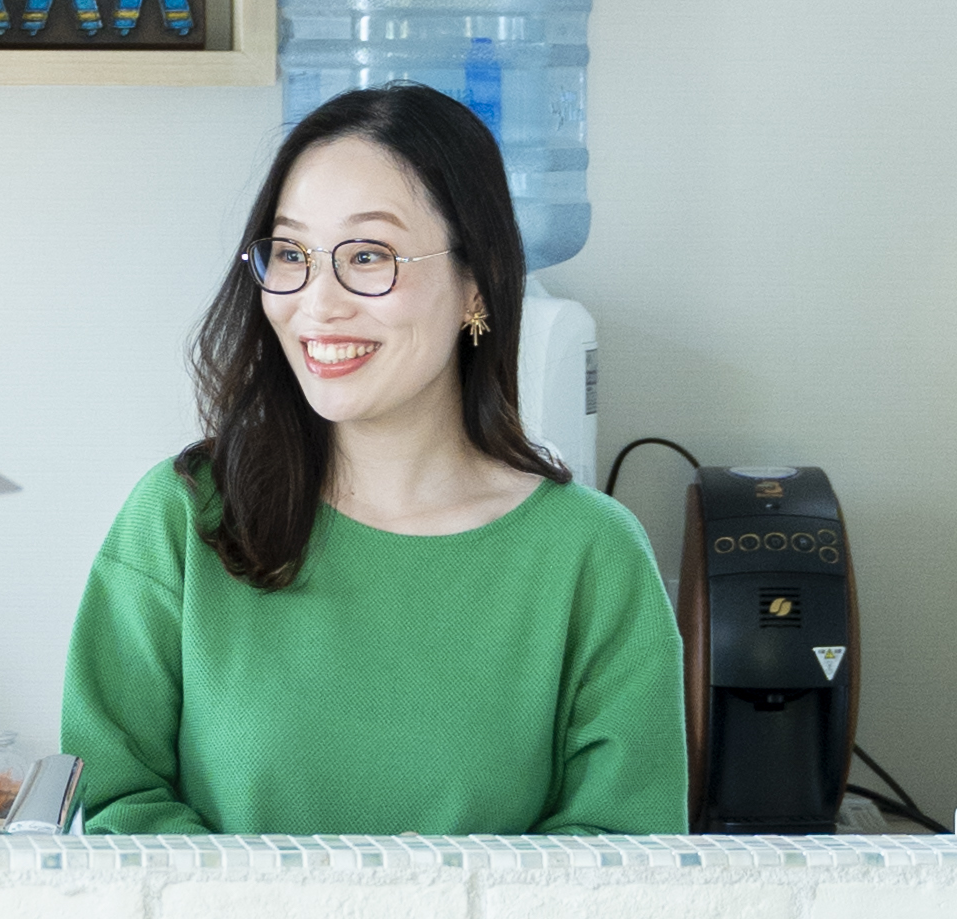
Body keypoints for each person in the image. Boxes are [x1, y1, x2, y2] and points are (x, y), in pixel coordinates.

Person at [64, 84, 689, 836]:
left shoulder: (594, 557)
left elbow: (624, 861)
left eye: (368, 256)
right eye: (291, 253)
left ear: (475, 285)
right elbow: (115, 808)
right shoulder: (181, 520)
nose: (318, 303)